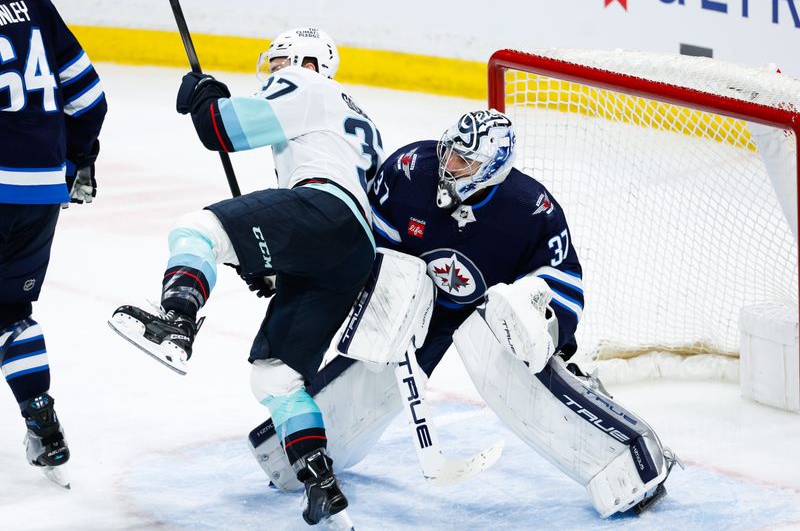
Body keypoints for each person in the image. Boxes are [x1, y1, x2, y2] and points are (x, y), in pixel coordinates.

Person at [249, 109, 679, 518]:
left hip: (491, 316)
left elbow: (562, 282)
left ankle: (626, 463)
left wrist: (543, 329)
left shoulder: (531, 209)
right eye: (450, 151)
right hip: (419, 302)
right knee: (392, 306)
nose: (448, 164)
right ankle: (303, 457)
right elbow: (367, 246)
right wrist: (308, 276)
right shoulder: (408, 170)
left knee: (510, 331)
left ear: (492, 168)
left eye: (464, 160)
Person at [108, 27, 381, 527]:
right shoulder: (354, 114)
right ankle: (319, 479)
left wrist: (206, 98)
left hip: (324, 210)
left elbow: (223, 129)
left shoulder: (308, 84)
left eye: (283, 61)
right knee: (275, 377)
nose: (277, 72)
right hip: (352, 250)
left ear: (309, 61)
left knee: (198, 230)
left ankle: (176, 320)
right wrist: (280, 264)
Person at [0, 0, 106, 487]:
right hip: (39, 188)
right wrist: (78, 158)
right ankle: (41, 421)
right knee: (9, 314)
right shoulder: (34, 4)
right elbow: (88, 97)